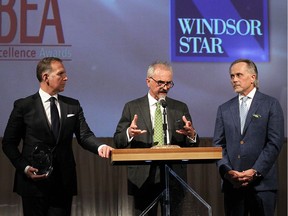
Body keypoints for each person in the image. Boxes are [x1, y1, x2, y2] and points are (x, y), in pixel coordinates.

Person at [2, 57, 114, 216]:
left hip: (62, 183)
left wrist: (100, 146)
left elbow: (84, 135)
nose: (66, 78)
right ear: (45, 77)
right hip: (33, 184)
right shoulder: (24, 106)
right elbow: (8, 143)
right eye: (60, 74)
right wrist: (25, 168)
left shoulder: (72, 105)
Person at [113, 61, 199, 215]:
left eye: (169, 83)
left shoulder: (180, 108)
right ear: (148, 81)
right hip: (144, 178)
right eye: (160, 82)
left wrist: (192, 135)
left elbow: (192, 144)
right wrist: (129, 133)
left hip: (174, 177)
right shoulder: (132, 107)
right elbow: (118, 140)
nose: (165, 87)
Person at [213, 59, 284, 216]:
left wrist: (256, 171)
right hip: (233, 186)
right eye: (232, 76)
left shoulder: (271, 104)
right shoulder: (224, 109)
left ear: (253, 77)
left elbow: (275, 143)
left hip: (262, 186)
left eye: (239, 75)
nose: (234, 80)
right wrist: (228, 172)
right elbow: (218, 145)